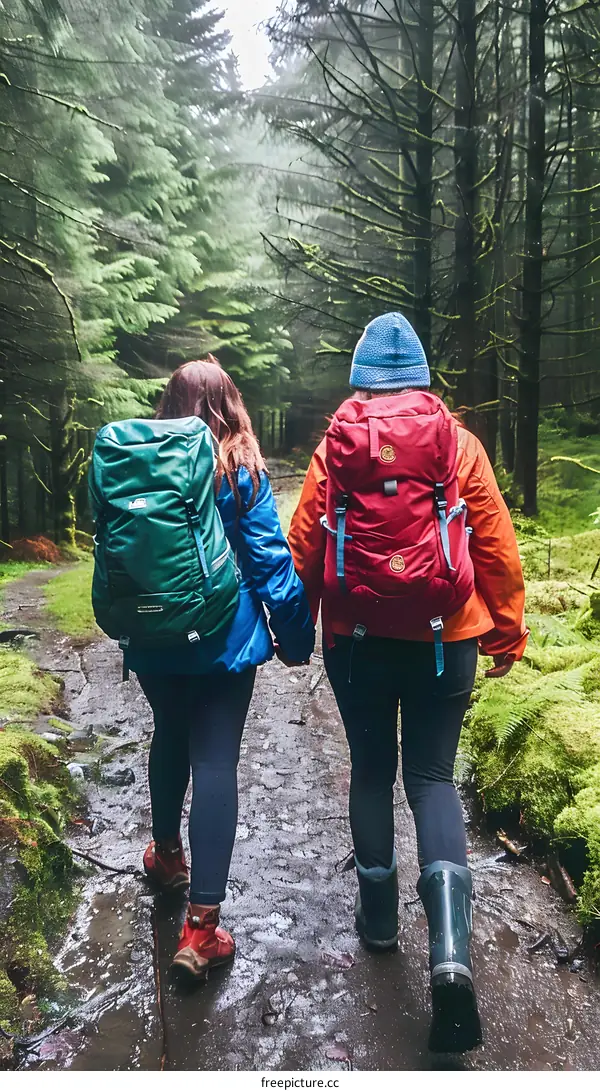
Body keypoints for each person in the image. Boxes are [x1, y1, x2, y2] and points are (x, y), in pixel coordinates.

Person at [288, 313, 528, 1053]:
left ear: (360, 379)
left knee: (370, 768)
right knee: (431, 777)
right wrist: (507, 626)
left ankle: (381, 921)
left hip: (355, 640)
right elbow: (493, 541)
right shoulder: (456, 442)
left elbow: (304, 539)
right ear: (422, 377)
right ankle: (451, 954)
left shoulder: (338, 446)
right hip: (443, 637)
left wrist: (298, 627)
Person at [126, 358, 314, 983]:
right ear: (230, 403)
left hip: (153, 639)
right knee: (214, 763)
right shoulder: (240, 468)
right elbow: (270, 565)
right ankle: (201, 929)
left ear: (169, 403)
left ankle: (167, 855)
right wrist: (293, 639)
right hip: (222, 644)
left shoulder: (139, 466)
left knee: (168, 736)